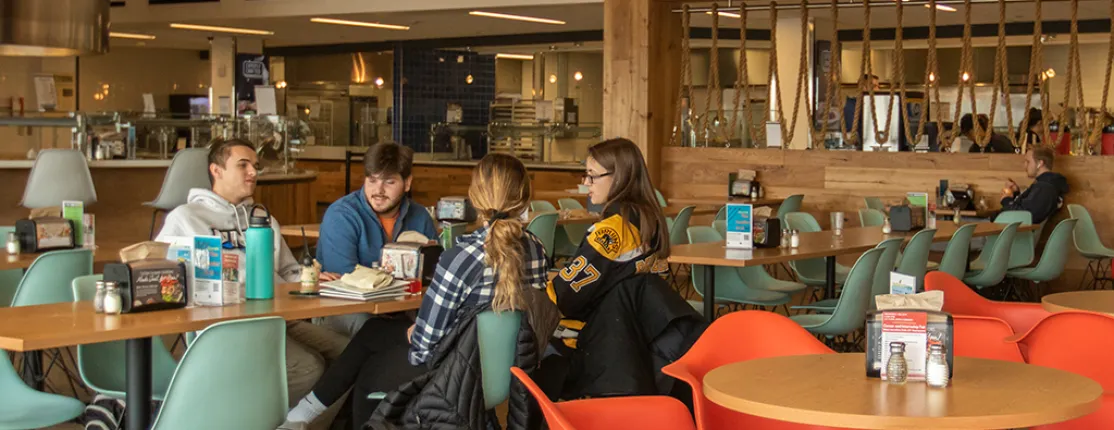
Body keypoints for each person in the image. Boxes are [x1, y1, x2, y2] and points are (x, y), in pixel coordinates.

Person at [283, 153, 553, 429]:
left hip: (456, 376)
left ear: (474, 197)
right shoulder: (538, 251)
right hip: (513, 372)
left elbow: (423, 349)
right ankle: (303, 415)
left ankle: (301, 416)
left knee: (371, 366)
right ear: (525, 198)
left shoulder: (460, 258)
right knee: (375, 331)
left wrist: (416, 332)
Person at [156, 138, 348, 411]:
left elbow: (287, 270)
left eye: (256, 166)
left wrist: (311, 278)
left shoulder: (264, 219)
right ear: (216, 170)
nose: (253, 173)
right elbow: (164, 275)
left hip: (279, 319)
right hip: (228, 327)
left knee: (349, 354)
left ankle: (300, 423)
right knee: (309, 367)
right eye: (243, 165)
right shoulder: (185, 218)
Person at [547, 138, 706, 399]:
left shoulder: (612, 231)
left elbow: (565, 297)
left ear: (619, 177)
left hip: (598, 346)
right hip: (640, 345)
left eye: (592, 176)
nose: (586, 183)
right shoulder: (649, 222)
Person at [315, 142, 438, 335]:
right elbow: (345, 279)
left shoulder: (420, 216)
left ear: (407, 183)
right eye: (372, 180)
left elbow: (434, 275)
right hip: (345, 308)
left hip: (403, 310)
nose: (378, 190)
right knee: (375, 327)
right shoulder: (341, 215)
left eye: (389, 182)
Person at [1000, 146, 1068, 224]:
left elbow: (1024, 216)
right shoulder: (1045, 185)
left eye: (1028, 162)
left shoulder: (1044, 188)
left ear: (1040, 163)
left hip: (1013, 229)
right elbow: (1029, 207)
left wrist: (1006, 200)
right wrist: (1016, 193)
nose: (1025, 166)